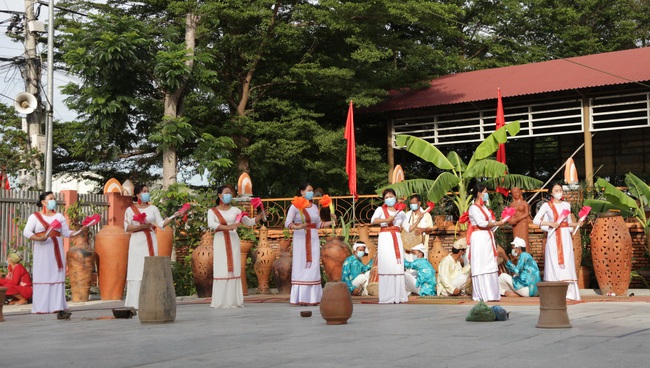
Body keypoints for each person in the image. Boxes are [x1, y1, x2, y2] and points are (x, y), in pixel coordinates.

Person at [208, 185, 264, 308]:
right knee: (221, 268)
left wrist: (259, 217)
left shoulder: (236, 211)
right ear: (219, 195)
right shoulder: (212, 211)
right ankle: (221, 301)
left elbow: (249, 222)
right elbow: (211, 224)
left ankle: (234, 300)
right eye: (226, 193)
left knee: (234, 267)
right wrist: (228, 227)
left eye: (230, 193)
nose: (229, 195)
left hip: (233, 240)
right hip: (220, 241)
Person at [124, 184, 177, 309]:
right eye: (144, 191)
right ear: (137, 195)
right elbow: (127, 227)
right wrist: (141, 226)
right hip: (137, 242)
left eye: (148, 191)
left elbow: (161, 223)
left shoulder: (153, 208)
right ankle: (135, 303)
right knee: (137, 270)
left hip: (151, 242)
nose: (147, 193)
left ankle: (151, 301)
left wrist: (174, 215)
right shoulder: (130, 210)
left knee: (150, 268)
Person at [23, 191, 72, 313]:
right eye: (51, 198)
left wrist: (78, 232)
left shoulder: (59, 216)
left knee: (56, 274)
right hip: (42, 249)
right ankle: (41, 307)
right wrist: (39, 238)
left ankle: (57, 306)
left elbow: (66, 232)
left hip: (56, 249)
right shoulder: (34, 217)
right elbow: (27, 232)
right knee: (43, 274)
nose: (53, 201)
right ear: (44, 202)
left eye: (54, 198)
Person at [285, 182, 334, 305]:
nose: (311, 193)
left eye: (312, 190)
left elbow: (319, 224)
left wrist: (332, 221)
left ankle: (313, 297)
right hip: (300, 238)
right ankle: (300, 296)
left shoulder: (314, 207)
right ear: (302, 192)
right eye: (309, 190)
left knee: (313, 265)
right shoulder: (295, 206)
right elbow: (287, 223)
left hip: (313, 237)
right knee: (300, 264)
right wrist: (299, 227)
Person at [533, 182, 582, 300]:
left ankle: (570, 293)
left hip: (565, 237)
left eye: (560, 190)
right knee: (554, 262)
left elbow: (568, 222)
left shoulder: (566, 205)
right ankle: (555, 293)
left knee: (567, 261)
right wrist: (550, 223)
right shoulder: (546, 206)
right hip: (553, 237)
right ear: (551, 192)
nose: (559, 192)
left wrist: (577, 224)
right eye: (556, 190)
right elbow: (535, 220)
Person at [468, 184, 505, 302]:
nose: (486, 194)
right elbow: (481, 223)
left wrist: (500, 221)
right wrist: (496, 224)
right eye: (485, 192)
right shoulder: (473, 208)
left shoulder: (484, 208)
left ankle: (492, 294)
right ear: (479, 194)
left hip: (487, 237)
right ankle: (481, 294)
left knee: (489, 263)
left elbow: (489, 222)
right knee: (480, 264)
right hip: (479, 237)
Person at [371, 188, 408, 304]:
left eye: (391, 196)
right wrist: (388, 219)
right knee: (387, 264)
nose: (389, 199)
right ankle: (387, 297)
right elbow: (373, 220)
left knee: (397, 265)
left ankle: (399, 296)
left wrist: (420, 218)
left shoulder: (401, 213)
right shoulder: (380, 209)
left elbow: (408, 228)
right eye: (386, 197)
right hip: (385, 238)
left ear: (395, 197)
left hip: (396, 238)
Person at [402, 194, 434, 260]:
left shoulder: (426, 215)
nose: (412, 205)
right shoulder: (407, 215)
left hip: (421, 249)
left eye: (414, 203)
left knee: (421, 268)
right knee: (409, 268)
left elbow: (430, 229)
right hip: (408, 248)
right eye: (411, 203)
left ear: (419, 203)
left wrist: (423, 229)